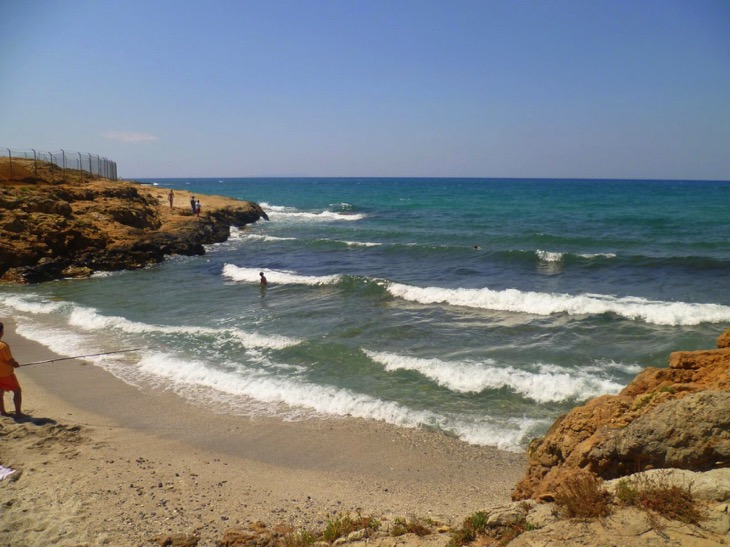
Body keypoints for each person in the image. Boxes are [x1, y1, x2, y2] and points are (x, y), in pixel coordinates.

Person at [0, 321, 22, 417]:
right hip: (5, 374)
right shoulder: (3, 346)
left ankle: (3, 412)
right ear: (1, 332)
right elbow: (9, 360)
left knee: (0, 393)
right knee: (17, 391)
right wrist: (15, 364)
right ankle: (18, 412)